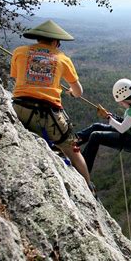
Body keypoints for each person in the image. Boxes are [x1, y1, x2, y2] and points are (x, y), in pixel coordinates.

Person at [10, 20, 95, 195]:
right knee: (72, 149)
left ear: (38, 38)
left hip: (19, 109)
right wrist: (71, 92)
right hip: (49, 115)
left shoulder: (19, 52)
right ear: (56, 42)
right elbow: (79, 92)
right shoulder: (62, 59)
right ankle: (89, 188)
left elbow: (16, 77)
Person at [75, 78, 131, 173]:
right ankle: (74, 141)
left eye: (121, 102)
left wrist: (108, 118)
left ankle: (83, 168)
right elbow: (127, 122)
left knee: (95, 136)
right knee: (96, 126)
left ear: (125, 99)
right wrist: (110, 116)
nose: (121, 104)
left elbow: (122, 129)